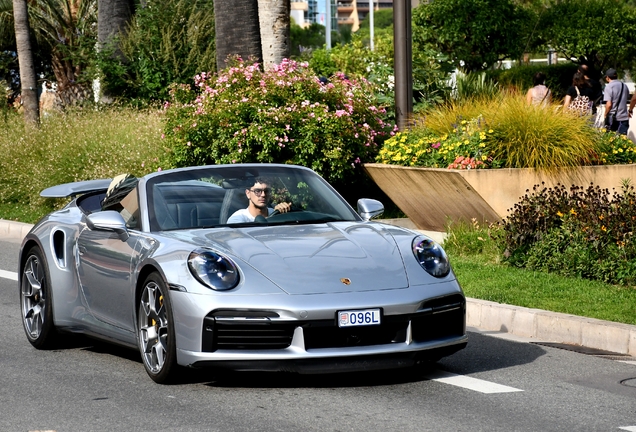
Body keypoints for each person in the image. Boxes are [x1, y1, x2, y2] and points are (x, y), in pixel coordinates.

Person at [226, 177, 292, 223]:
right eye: (257, 191)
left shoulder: (276, 213)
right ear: (248, 193)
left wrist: (285, 214)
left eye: (267, 191)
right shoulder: (238, 218)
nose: (263, 195)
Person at [603, 68, 631, 134]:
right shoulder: (624, 86)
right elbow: (626, 98)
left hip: (613, 119)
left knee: (610, 140)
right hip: (624, 118)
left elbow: (609, 104)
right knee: (622, 142)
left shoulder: (609, 87)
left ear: (607, 77)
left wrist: (605, 114)